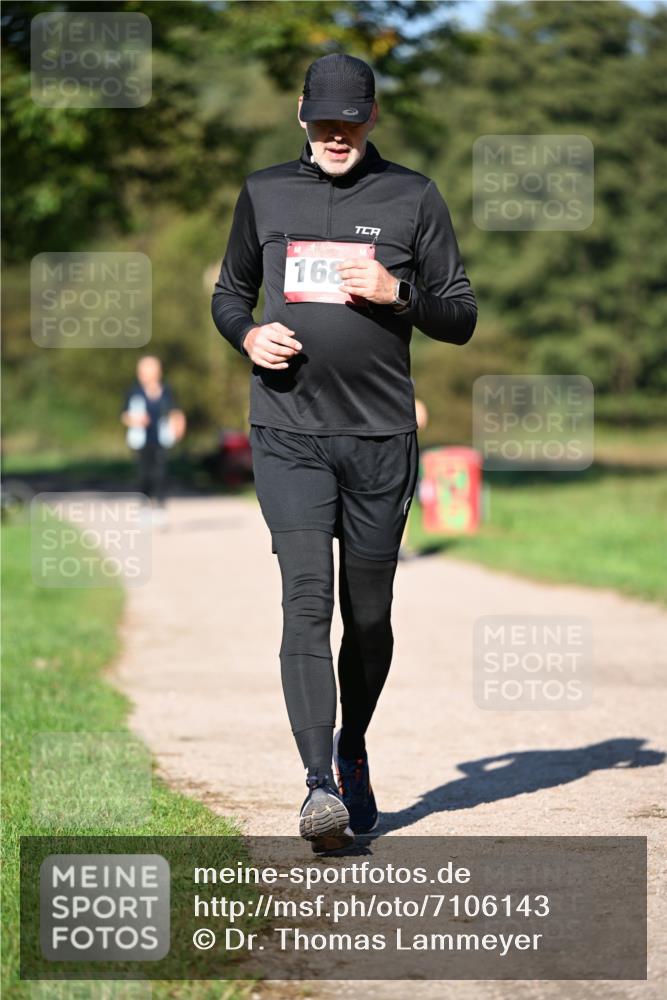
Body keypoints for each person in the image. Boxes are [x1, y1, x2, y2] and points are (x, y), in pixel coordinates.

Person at [211, 53, 477, 851]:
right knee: (305, 599)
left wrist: (394, 292)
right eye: (322, 122)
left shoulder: (412, 197)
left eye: (348, 123)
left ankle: (352, 745)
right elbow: (230, 293)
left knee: (368, 620)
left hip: (380, 439)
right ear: (300, 114)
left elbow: (459, 315)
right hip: (288, 432)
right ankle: (318, 788)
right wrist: (248, 334)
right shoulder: (263, 192)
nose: (334, 136)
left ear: (370, 120)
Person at [121, 356, 186, 511]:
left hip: (162, 439)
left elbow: (175, 411)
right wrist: (135, 420)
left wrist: (179, 426)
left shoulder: (166, 391)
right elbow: (124, 415)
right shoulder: (134, 392)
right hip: (141, 441)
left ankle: (161, 506)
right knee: (144, 475)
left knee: (161, 474)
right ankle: (145, 504)